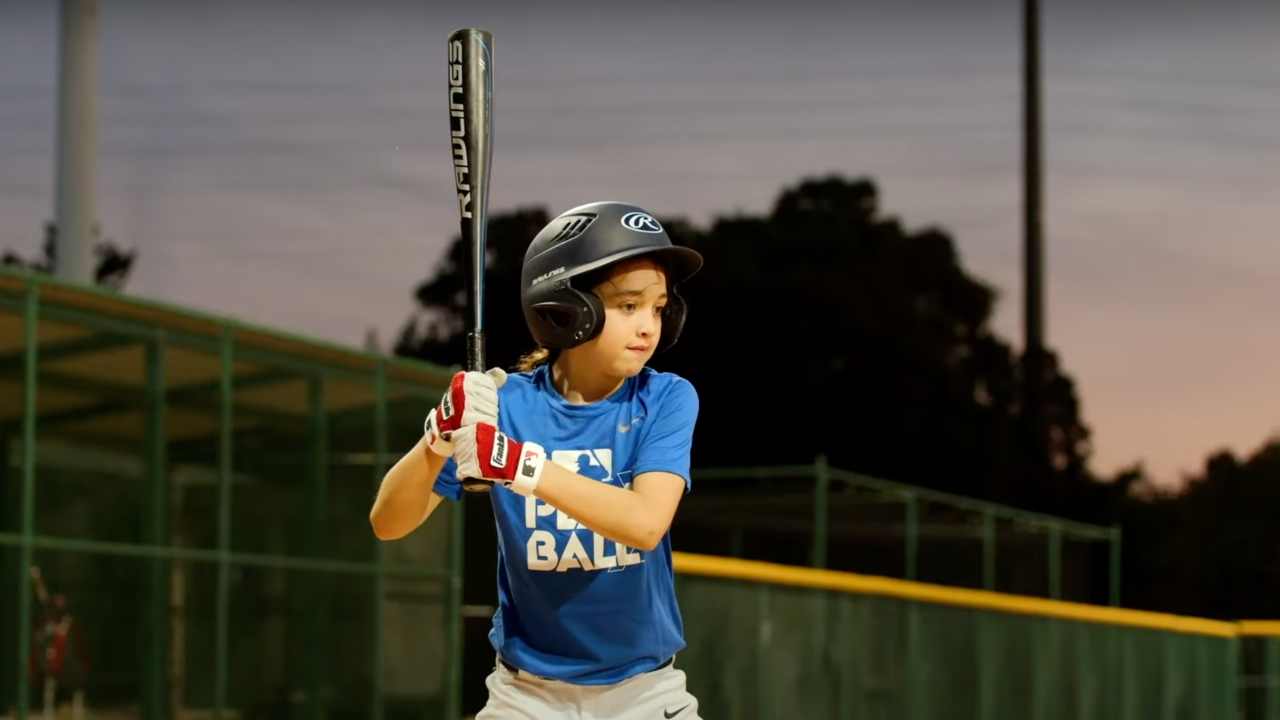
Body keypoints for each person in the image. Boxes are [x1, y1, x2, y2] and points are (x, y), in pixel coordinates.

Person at [370, 200, 704, 719]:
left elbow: (644, 524)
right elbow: (388, 523)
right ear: (565, 308)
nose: (648, 326)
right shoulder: (507, 406)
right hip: (527, 698)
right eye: (629, 305)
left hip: (643, 693)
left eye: (658, 308)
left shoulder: (664, 398)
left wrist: (517, 464)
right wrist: (436, 438)